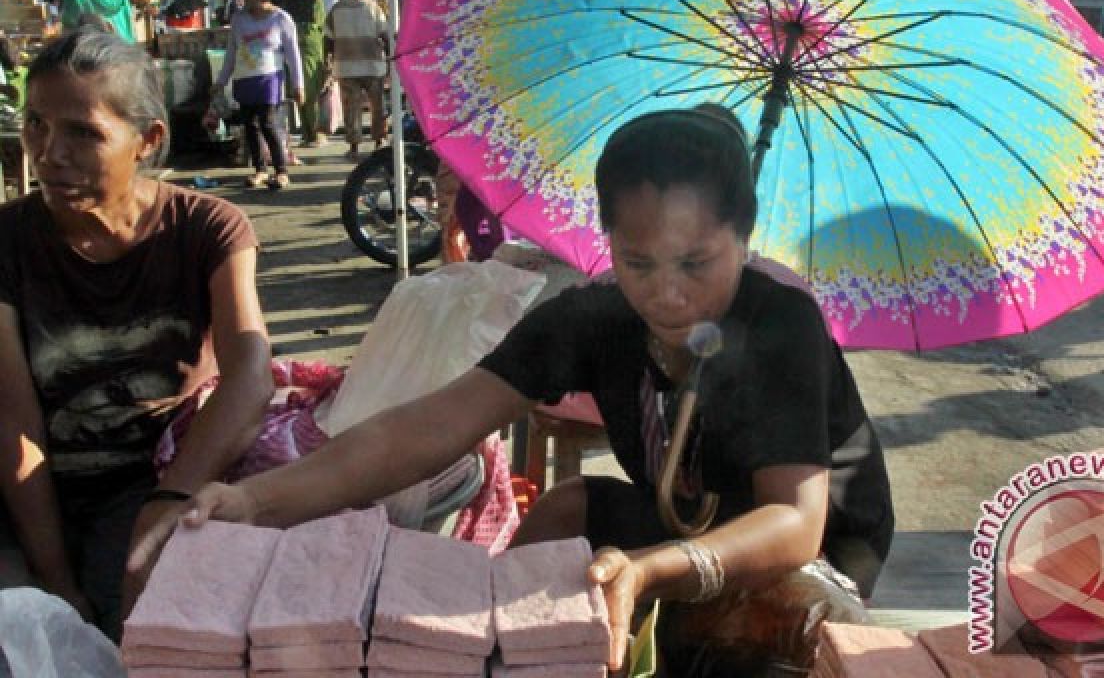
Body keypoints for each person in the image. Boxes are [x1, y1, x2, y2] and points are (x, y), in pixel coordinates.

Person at [135, 104, 895, 674]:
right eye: (637, 262)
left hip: (814, 554)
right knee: (564, 515)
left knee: (778, 633)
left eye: (696, 263)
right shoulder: (589, 317)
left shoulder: (781, 322)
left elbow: (794, 522)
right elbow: (426, 427)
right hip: (686, 520)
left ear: (745, 233)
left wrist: (651, 570)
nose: (666, 294)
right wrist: (255, 502)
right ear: (606, 241)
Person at [0, 29, 274, 641]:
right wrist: (54, 579)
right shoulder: (8, 243)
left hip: (151, 475)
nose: (48, 154)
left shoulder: (209, 229)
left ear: (146, 141)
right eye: (37, 125)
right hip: (33, 483)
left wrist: (168, 503)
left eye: (83, 133)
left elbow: (251, 377)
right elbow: (13, 425)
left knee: (137, 620)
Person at [213, 0, 304, 190]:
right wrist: (221, 81)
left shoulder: (281, 18)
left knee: (268, 123)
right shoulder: (239, 19)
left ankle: (281, 171)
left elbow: (293, 54)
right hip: (244, 79)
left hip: (269, 78)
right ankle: (260, 170)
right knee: (250, 126)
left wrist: (298, 84)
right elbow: (231, 52)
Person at [324, 0, 390, 160]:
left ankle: (354, 146)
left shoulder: (336, 10)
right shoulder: (373, 8)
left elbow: (327, 39)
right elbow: (385, 36)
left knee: (351, 108)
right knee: (377, 105)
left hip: (346, 67)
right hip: (372, 66)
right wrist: (391, 57)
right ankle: (379, 141)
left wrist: (326, 61)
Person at [278, 0, 326, 147]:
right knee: (298, 90)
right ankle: (307, 133)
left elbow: (317, 22)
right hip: (293, 47)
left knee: (311, 91)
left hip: (311, 48)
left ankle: (315, 132)